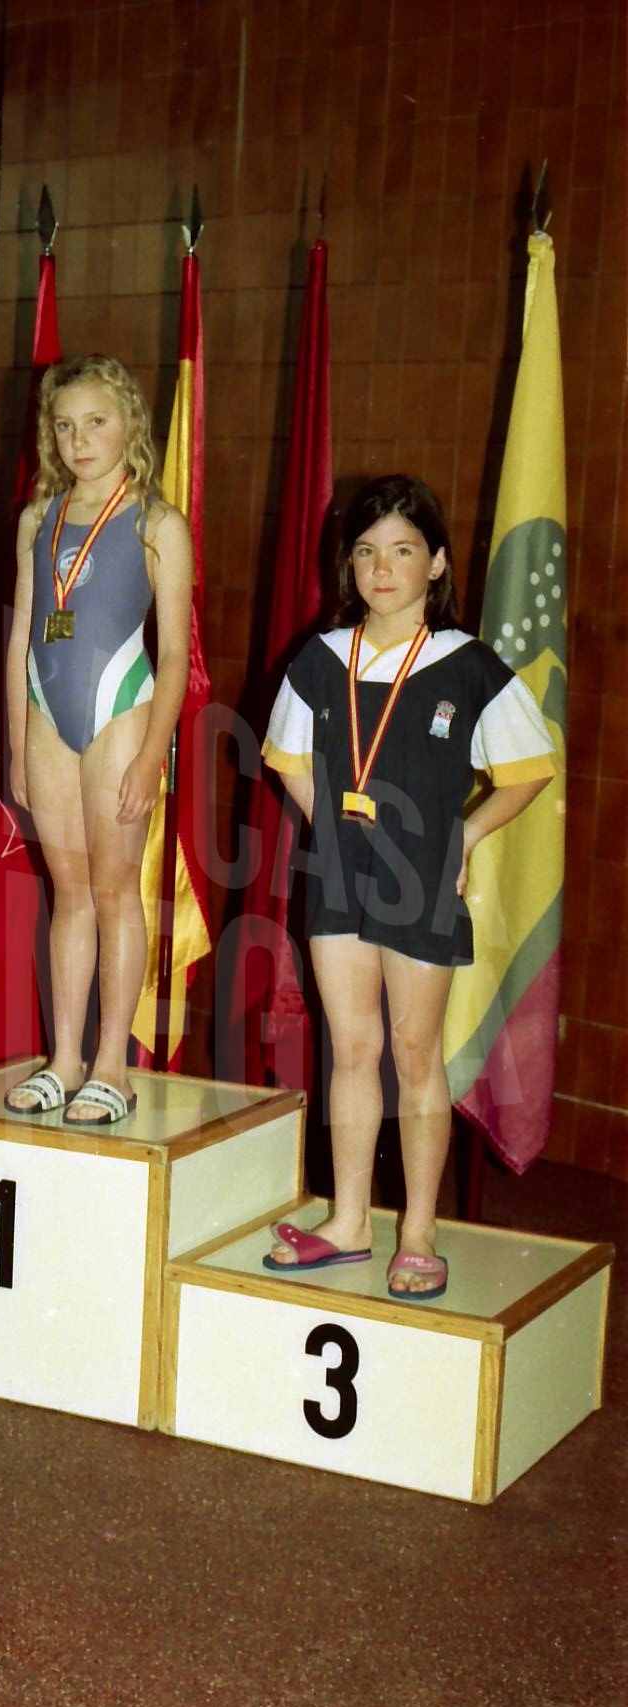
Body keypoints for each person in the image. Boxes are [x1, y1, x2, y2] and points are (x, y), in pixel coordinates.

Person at [261, 475, 554, 1299]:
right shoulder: (322, 658)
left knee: (416, 1053)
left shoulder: (467, 666)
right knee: (352, 1049)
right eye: (366, 552)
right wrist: (332, 829)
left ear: (438, 564)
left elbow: (529, 770)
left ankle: (418, 1233)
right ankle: (350, 1221)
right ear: (348, 565)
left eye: (402, 551)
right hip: (340, 878)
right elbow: (287, 760)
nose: (382, 570)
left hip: (421, 881)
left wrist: (466, 834)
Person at [3, 355, 192, 1125]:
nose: (79, 441)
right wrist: (18, 740)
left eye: (96, 423)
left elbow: (175, 654)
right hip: (47, 717)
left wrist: (150, 756)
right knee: (70, 893)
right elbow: (22, 631)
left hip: (120, 714)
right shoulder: (37, 518)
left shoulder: (156, 522)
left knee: (115, 892)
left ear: (129, 425)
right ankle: (64, 1058)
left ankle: (113, 1064)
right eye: (65, 426)